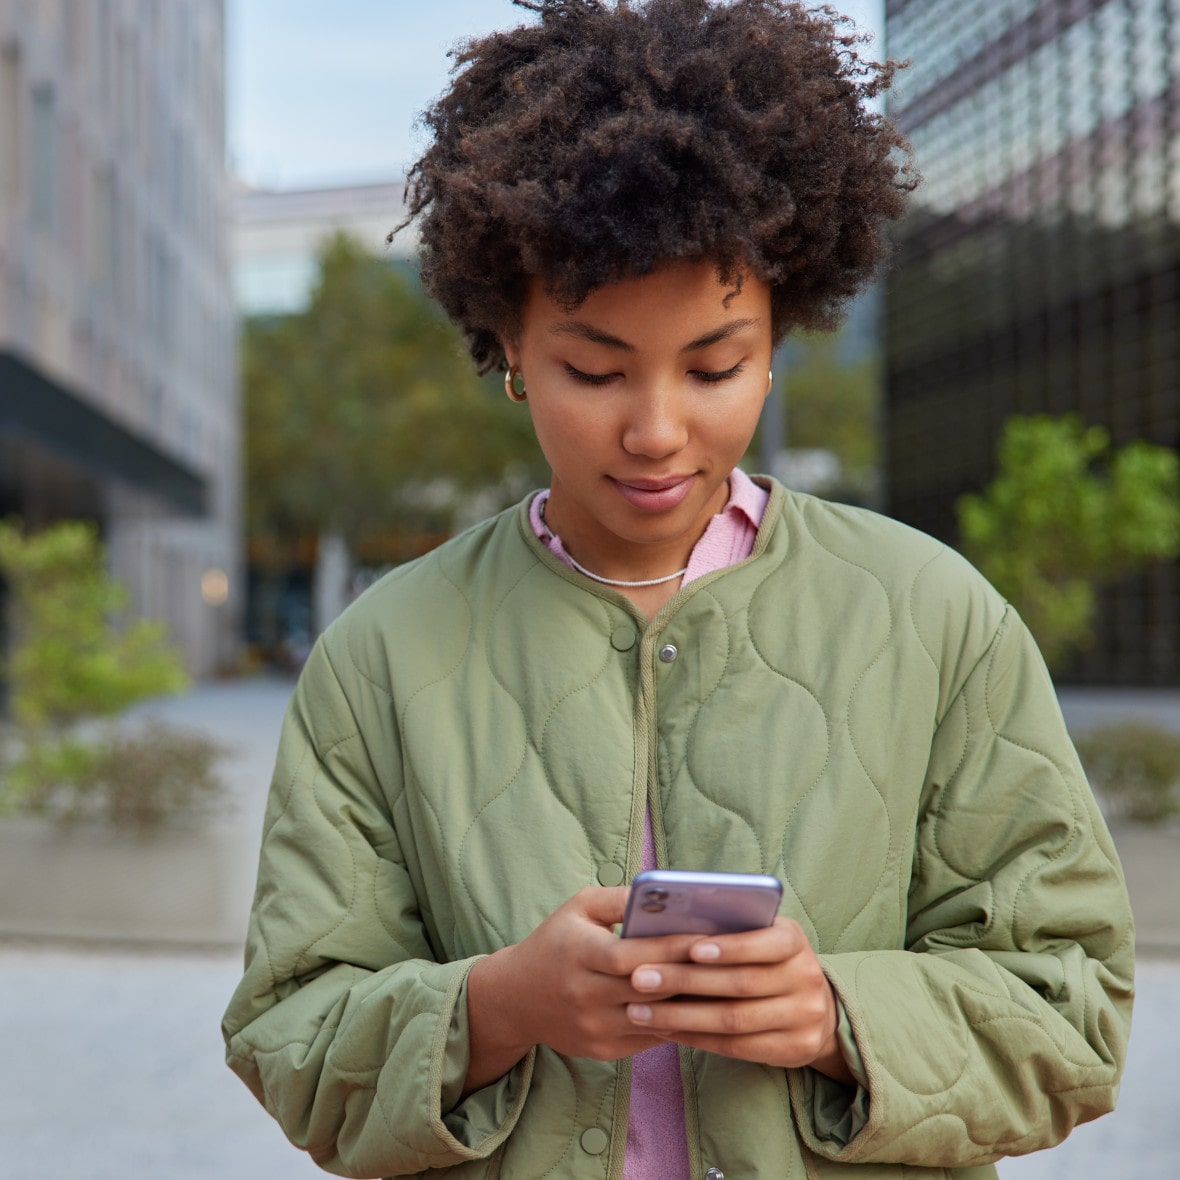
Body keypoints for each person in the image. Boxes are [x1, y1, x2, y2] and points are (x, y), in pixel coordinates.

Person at [222, 2, 1134, 1177]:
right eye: (592, 368)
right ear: (505, 343)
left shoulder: (935, 619)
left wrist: (834, 1018)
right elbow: (291, 1033)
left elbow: (1072, 1009)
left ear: (781, 334)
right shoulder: (380, 655)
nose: (655, 430)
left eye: (716, 365)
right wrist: (495, 1007)